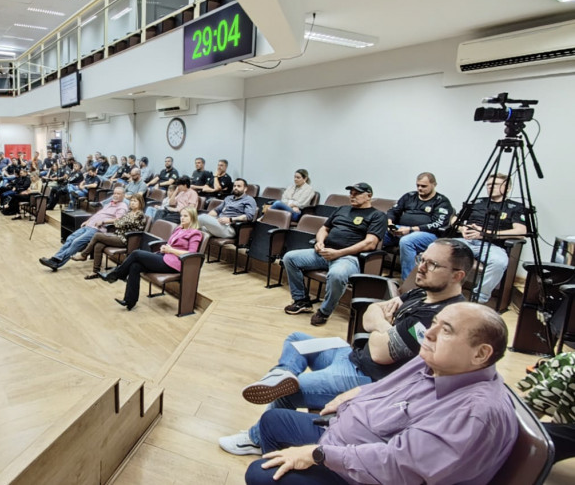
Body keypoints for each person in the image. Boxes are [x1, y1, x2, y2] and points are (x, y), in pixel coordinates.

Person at [220, 239, 472, 457]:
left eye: (433, 264)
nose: (422, 267)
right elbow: (371, 313)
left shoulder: (439, 318)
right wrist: (385, 326)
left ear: (457, 276)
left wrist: (379, 324)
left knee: (287, 392)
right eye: (422, 259)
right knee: (297, 339)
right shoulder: (421, 292)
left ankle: (255, 439)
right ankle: (281, 373)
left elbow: (379, 352)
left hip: (367, 377)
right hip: (352, 355)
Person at [243, 303, 517, 485]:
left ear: (481, 354)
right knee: (273, 421)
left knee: (260, 474)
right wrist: (354, 394)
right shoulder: (433, 360)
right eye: (434, 323)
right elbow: (384, 386)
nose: (429, 334)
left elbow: (400, 466)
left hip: (368, 474)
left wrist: (317, 455)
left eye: (445, 331)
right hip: (341, 438)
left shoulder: (473, 411)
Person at [283, 183, 387, 326]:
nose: (352, 195)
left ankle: (324, 311)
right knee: (290, 258)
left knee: (337, 275)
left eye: (357, 193)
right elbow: (324, 229)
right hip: (325, 253)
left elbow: (370, 243)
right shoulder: (342, 209)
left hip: (347, 258)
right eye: (351, 193)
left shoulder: (377, 215)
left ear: (369, 196)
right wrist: (320, 242)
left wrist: (338, 253)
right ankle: (302, 301)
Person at [102, 207, 204, 311]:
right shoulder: (179, 228)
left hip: (175, 264)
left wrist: (171, 250)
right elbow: (170, 244)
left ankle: (117, 274)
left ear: (193, 218)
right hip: (165, 256)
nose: (182, 218)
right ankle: (129, 301)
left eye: (186, 216)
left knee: (136, 253)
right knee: (135, 266)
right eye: (181, 215)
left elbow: (192, 253)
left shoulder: (195, 233)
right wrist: (165, 247)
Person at [452, 173, 527, 303]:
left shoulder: (516, 207)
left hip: (492, 246)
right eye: (488, 185)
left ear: (508, 188)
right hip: (467, 241)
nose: (490, 187)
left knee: (499, 262)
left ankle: (479, 299)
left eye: (495, 185)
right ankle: (443, 290)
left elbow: (521, 231)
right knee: (434, 248)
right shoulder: (477, 202)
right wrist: (461, 228)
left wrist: (486, 233)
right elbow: (454, 219)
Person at [383, 172, 454, 279]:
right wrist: (389, 223)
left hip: (428, 234)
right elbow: (393, 211)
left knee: (407, 241)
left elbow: (438, 224)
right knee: (376, 233)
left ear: (434, 184)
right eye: (418, 185)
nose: (420, 188)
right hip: (400, 229)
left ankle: (408, 283)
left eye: (424, 186)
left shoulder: (441, 201)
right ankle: (367, 271)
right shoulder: (409, 196)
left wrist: (411, 230)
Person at [40, 187, 128, 270]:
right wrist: (88, 221)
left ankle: (56, 263)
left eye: (118, 194)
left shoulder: (122, 206)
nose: (115, 195)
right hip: (89, 225)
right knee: (70, 238)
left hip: (98, 229)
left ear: (123, 195)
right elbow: (98, 214)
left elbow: (118, 220)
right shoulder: (110, 203)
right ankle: (56, 258)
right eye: (114, 193)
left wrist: (104, 222)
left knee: (76, 242)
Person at [75, 193, 147, 277]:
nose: (132, 203)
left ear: (140, 203)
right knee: (98, 245)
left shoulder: (140, 215)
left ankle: (84, 254)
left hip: (126, 239)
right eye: (131, 201)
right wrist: (118, 222)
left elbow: (121, 223)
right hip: (118, 235)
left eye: (135, 201)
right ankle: (95, 271)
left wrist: (114, 222)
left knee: (97, 235)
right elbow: (119, 222)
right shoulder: (129, 212)